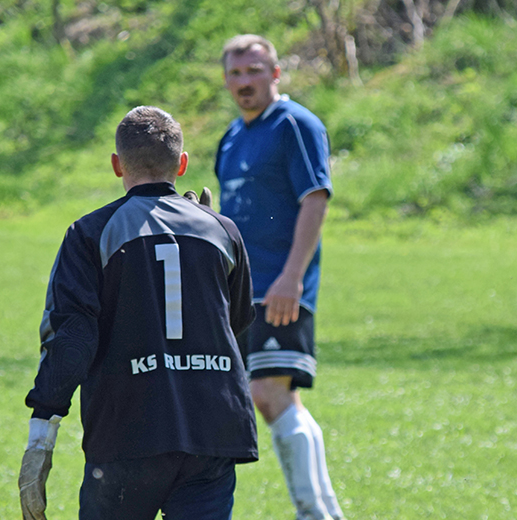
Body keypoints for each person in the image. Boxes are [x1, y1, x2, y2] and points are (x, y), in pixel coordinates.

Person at [18, 106, 258, 520]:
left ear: (116, 165)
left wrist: (42, 436)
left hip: (127, 432)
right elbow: (236, 328)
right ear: (181, 164)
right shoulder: (223, 230)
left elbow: (71, 339)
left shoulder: (89, 233)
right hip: (213, 431)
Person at [215, 35, 345, 520]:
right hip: (241, 291)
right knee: (266, 395)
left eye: (254, 71)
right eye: (236, 73)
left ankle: (317, 514)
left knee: (270, 394)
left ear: (275, 73)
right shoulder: (231, 137)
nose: (244, 81)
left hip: (280, 286)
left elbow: (315, 197)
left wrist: (292, 276)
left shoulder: (295, 124)